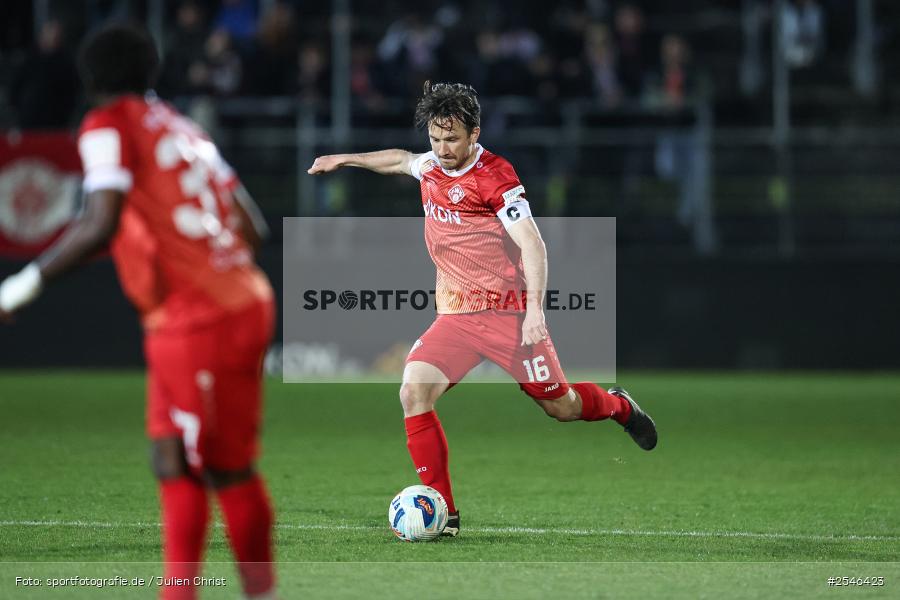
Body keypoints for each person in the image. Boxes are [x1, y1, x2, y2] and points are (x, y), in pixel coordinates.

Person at [308, 81, 657, 537]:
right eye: (435, 138)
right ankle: (446, 515)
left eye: (451, 139)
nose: (442, 148)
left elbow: (532, 243)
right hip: (455, 317)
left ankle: (617, 406)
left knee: (563, 407)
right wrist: (345, 159)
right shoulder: (432, 166)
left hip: (509, 318)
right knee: (413, 393)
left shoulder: (496, 177)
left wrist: (535, 310)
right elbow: (398, 159)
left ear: (474, 133)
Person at [0, 25, 276, 599]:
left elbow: (98, 220)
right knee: (169, 455)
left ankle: (259, 591)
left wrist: (19, 287)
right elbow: (253, 227)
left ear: (89, 78)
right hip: (217, 306)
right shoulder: (185, 127)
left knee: (223, 468)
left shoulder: (107, 124)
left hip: (200, 317)